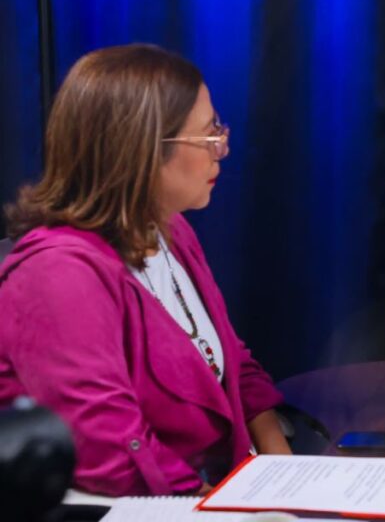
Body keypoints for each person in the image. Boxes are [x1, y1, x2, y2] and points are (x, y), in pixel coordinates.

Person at [0, 44, 290, 496]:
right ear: (140, 152)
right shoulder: (58, 273)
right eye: (209, 133)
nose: (223, 147)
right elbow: (109, 450)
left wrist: (286, 474)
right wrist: (226, 507)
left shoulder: (169, 229)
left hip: (216, 491)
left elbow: (231, 362)